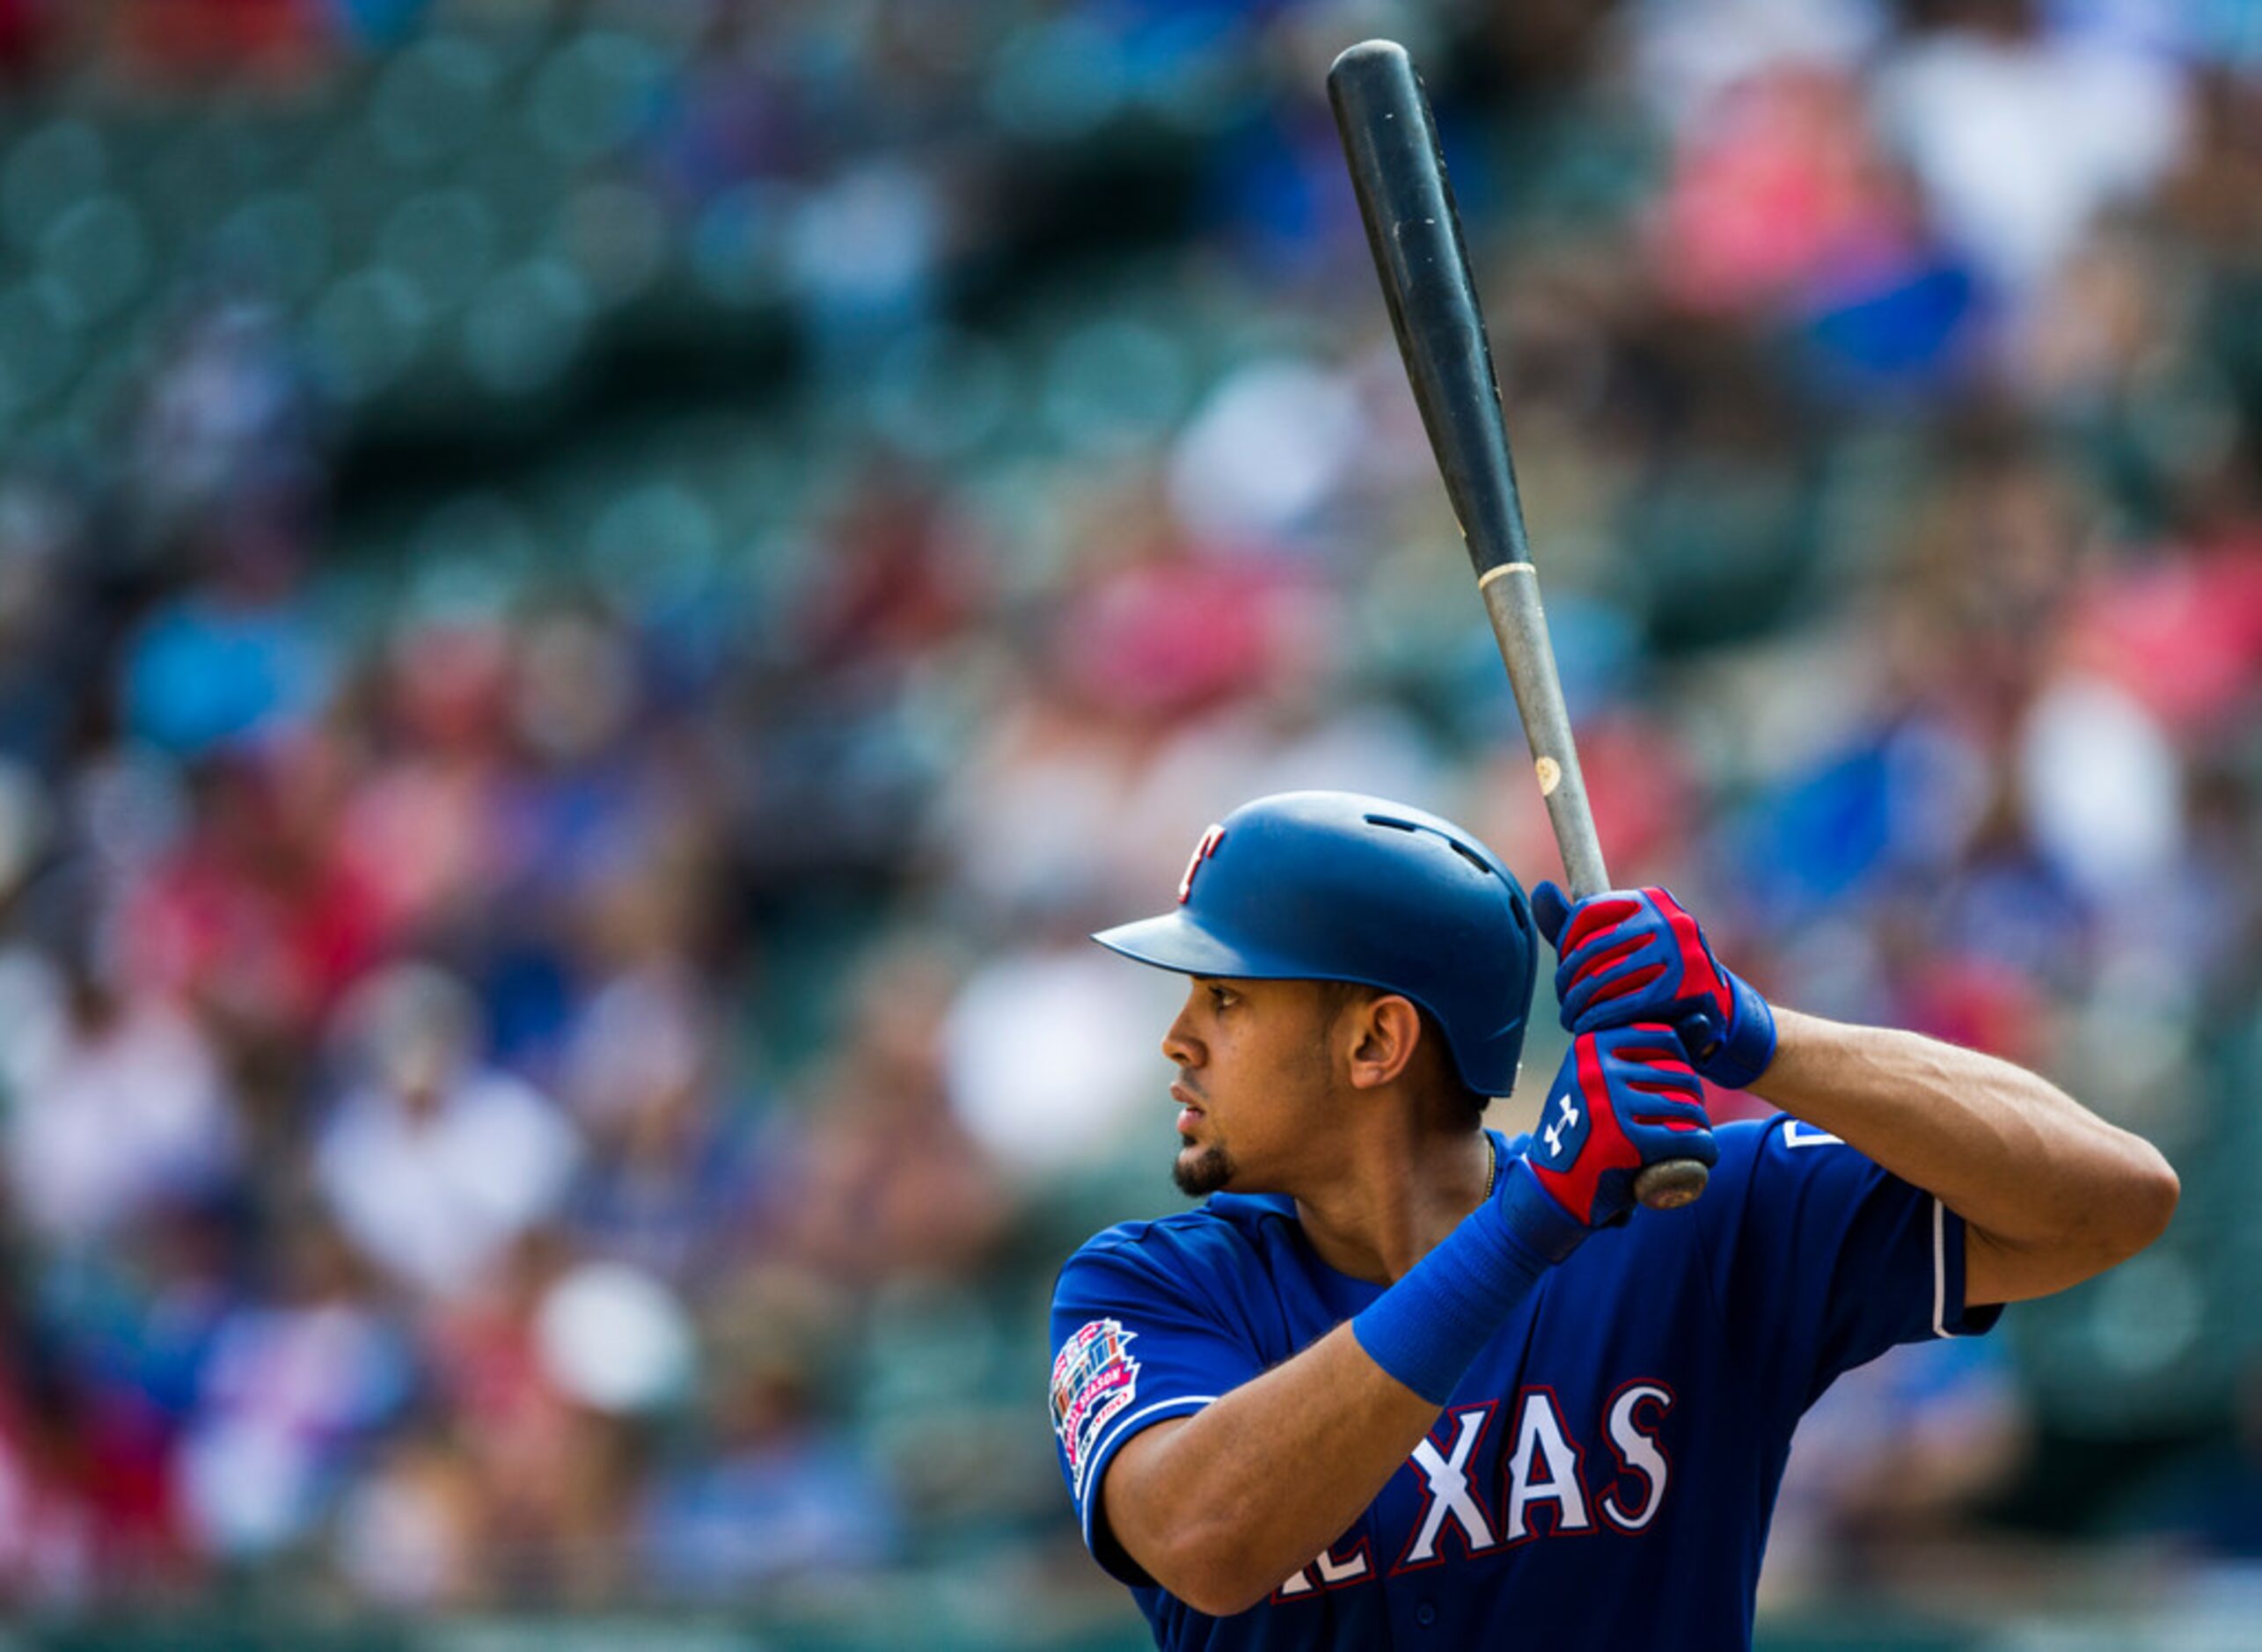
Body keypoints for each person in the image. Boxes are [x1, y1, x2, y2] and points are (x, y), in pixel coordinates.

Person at [1047, 790, 2177, 1648]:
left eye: (1228, 998)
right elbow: (1203, 1540)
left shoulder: (1686, 1220)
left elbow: (2112, 1201)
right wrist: (1530, 1220)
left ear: (1375, 1045)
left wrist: (1753, 1034)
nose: (1178, 1038)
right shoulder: (1146, 1285)